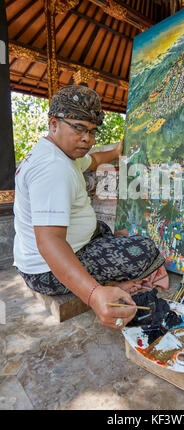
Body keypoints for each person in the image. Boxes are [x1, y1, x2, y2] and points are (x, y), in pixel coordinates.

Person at [13, 85, 168, 330]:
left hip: (41, 256)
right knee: (144, 249)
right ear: (53, 124)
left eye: (92, 131)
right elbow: (50, 242)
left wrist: (116, 151)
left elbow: (93, 160)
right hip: (45, 271)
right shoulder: (53, 169)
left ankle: (106, 251)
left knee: (102, 227)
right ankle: (105, 280)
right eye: (79, 129)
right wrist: (94, 294)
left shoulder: (58, 153)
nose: (88, 138)